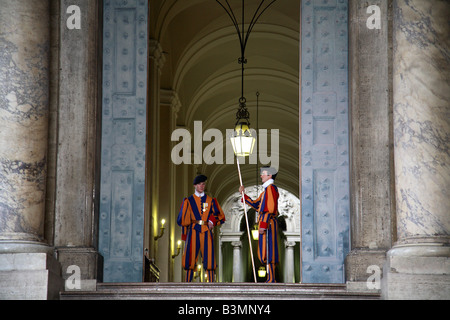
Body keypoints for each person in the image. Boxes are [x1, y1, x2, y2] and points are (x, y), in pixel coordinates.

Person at [177, 174, 226, 282]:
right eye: (199, 184)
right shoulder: (188, 201)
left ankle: (211, 283)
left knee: (209, 257)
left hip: (206, 230)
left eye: (203, 184)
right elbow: (183, 219)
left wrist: (212, 220)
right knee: (190, 256)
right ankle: (188, 283)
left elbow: (220, 216)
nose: (201, 186)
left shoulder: (211, 200)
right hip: (193, 230)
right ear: (195, 185)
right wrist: (184, 236)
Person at [239, 167, 279, 283]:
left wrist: (263, 224)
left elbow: (270, 209)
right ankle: (270, 278)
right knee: (264, 251)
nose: (261, 176)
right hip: (265, 223)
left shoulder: (271, 189)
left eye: (263, 174)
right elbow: (257, 205)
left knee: (269, 250)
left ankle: (271, 278)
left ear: (270, 175)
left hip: (268, 223)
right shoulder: (265, 192)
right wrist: (244, 195)